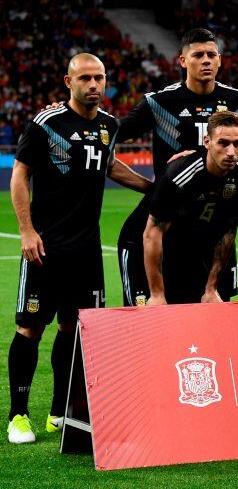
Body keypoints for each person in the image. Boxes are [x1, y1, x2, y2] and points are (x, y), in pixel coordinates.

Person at [7, 54, 151, 444]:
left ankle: (60, 411)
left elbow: (110, 165)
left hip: (87, 251)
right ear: (68, 81)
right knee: (30, 328)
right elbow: (20, 176)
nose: (93, 85)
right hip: (45, 247)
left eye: (99, 78)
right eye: (85, 78)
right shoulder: (46, 123)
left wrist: (155, 188)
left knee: (74, 330)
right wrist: (26, 231)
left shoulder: (108, 125)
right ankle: (18, 415)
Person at [116, 28, 238, 306]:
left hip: (212, 225)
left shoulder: (236, 101)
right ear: (182, 61)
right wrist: (152, 188)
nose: (205, 60)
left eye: (211, 55)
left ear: (220, 61)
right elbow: (106, 141)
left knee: (215, 319)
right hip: (167, 223)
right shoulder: (159, 103)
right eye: (198, 55)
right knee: (154, 323)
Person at [143, 111, 238, 305]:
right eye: (223, 143)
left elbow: (228, 231)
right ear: (207, 141)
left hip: (208, 252)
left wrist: (211, 288)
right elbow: (153, 232)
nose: (231, 152)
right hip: (170, 254)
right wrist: (157, 293)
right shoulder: (179, 174)